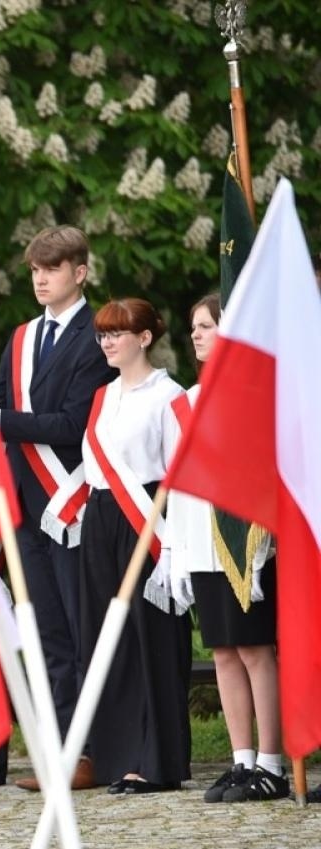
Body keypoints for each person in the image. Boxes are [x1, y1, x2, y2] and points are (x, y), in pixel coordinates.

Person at [0, 226, 115, 792]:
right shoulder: (19, 340)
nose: (41, 279)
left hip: (73, 502)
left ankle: (92, 748)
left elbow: (72, 423)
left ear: (80, 273)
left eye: (53, 269)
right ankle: (57, 747)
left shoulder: (99, 336)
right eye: (35, 270)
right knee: (43, 632)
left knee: (79, 625)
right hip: (23, 503)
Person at [169, 294, 284, 802]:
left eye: (207, 325)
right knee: (222, 653)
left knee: (256, 651)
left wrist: (259, 548)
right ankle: (241, 760)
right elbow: (178, 483)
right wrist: (176, 550)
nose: (196, 335)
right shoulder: (189, 399)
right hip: (200, 541)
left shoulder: (257, 394)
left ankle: (272, 762)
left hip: (241, 543)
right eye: (193, 326)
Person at [79, 298, 192, 793]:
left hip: (148, 516)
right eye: (103, 334)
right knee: (110, 639)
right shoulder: (101, 396)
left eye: (116, 333)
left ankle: (155, 759)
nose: (106, 342)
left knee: (153, 638)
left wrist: (173, 547)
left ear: (144, 338)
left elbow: (180, 476)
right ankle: (118, 755)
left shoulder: (170, 397)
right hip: (102, 517)